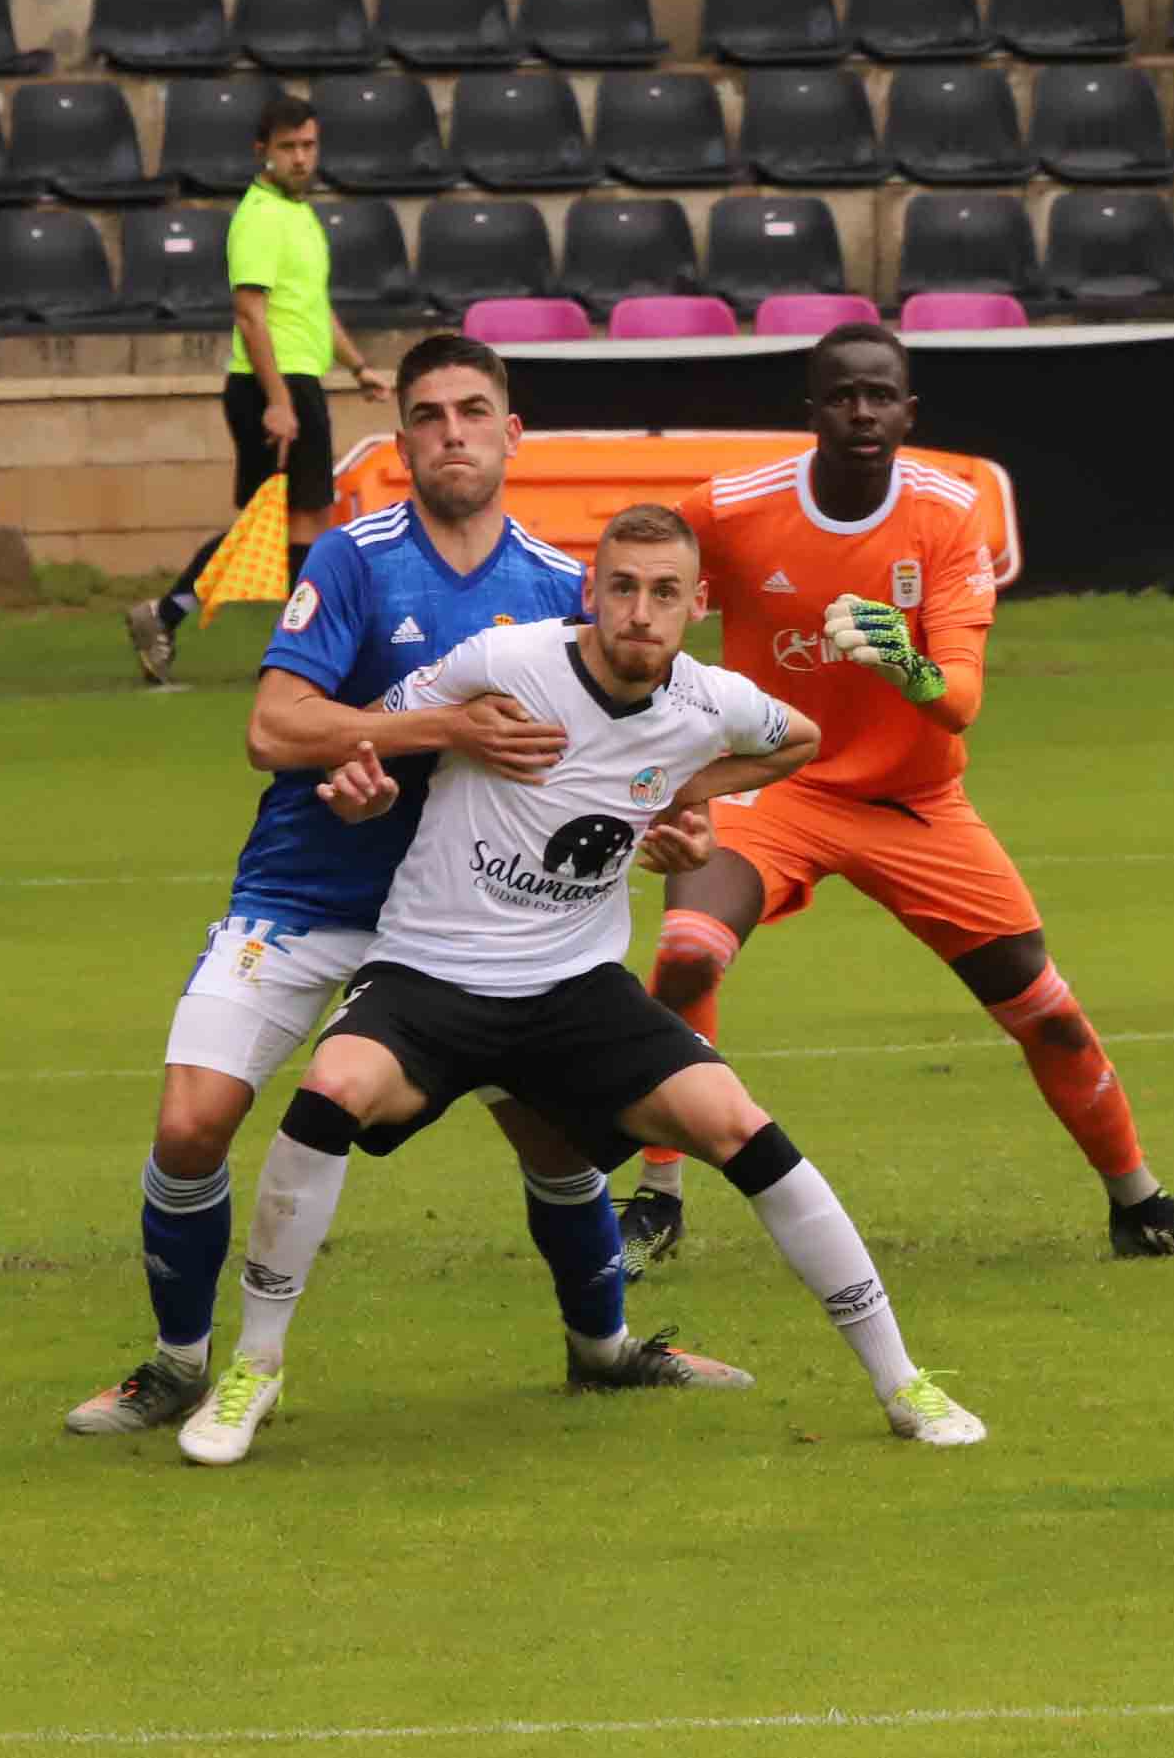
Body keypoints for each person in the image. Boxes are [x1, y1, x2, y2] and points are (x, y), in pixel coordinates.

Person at [181, 505, 985, 1464]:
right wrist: (375, 783)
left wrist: (688, 790)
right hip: (431, 972)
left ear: (694, 606)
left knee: (741, 1126)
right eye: (621, 588)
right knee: (328, 1094)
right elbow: (382, 735)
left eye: (663, 594)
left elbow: (797, 738)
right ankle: (255, 1370)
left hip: (574, 990)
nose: (639, 612)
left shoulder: (708, 701)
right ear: (591, 593)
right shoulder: (506, 663)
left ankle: (902, 1382)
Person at [66, 334, 740, 1437]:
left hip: (469, 927)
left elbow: (620, 752)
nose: (453, 433)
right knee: (191, 1122)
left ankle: (603, 1346)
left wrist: (673, 817)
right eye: (428, 414)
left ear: (511, 433)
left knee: (555, 1137)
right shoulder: (352, 557)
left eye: (474, 410)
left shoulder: (563, 585)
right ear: (404, 437)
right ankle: (180, 1364)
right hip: (304, 895)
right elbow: (272, 726)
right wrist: (428, 728)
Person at [621, 324, 1174, 1266]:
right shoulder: (733, 508)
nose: (863, 412)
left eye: (882, 395)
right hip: (775, 781)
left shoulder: (949, 517)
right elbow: (632, 578)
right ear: (812, 410)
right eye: (843, 395)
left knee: (1045, 1010)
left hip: (914, 801)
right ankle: (655, 1200)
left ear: (910, 412)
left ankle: (1141, 1205)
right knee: (686, 954)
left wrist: (902, 659)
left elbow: (957, 703)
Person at [128, 97, 385, 687]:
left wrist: (356, 366)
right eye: (289, 147)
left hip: (299, 382)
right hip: (271, 386)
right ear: (262, 152)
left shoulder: (299, 214)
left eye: (309, 146)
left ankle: (165, 615)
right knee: (297, 528)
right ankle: (303, 662)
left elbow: (311, 310)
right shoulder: (259, 216)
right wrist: (278, 400)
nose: (301, 158)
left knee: (281, 528)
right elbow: (250, 314)